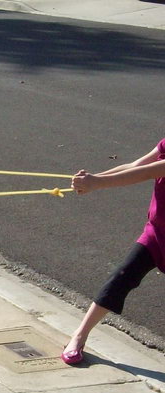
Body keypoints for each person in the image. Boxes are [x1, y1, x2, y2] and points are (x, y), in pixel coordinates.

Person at [62, 138, 165, 365]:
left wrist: (96, 183)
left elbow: (148, 173)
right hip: (156, 234)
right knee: (121, 277)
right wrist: (90, 180)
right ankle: (79, 337)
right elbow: (135, 166)